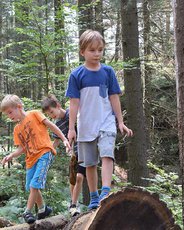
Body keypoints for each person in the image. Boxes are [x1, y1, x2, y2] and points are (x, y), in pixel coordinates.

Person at [65, 29, 133, 210]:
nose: (97, 54)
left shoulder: (108, 72)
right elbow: (73, 103)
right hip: (86, 125)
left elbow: (114, 97)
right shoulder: (76, 75)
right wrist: (71, 129)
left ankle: (105, 191)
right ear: (82, 52)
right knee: (90, 163)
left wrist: (120, 121)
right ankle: (94, 196)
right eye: (92, 50)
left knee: (107, 154)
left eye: (100, 50)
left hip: (106, 122)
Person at [1, 94, 71, 224]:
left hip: (44, 153)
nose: (9, 116)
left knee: (35, 184)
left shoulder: (34, 114)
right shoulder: (17, 129)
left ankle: (27, 212)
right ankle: (43, 209)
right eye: (7, 114)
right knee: (30, 186)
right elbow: (22, 148)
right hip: (30, 159)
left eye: (10, 112)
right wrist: (11, 155)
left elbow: (52, 126)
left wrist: (64, 139)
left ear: (19, 107)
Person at [41, 94, 86, 217]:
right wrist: (47, 153)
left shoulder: (70, 113)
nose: (51, 115)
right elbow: (56, 141)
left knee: (79, 177)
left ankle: (74, 204)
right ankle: (73, 205)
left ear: (58, 106)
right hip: (73, 154)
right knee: (72, 180)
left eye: (51, 111)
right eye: (49, 114)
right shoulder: (57, 123)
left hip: (84, 149)